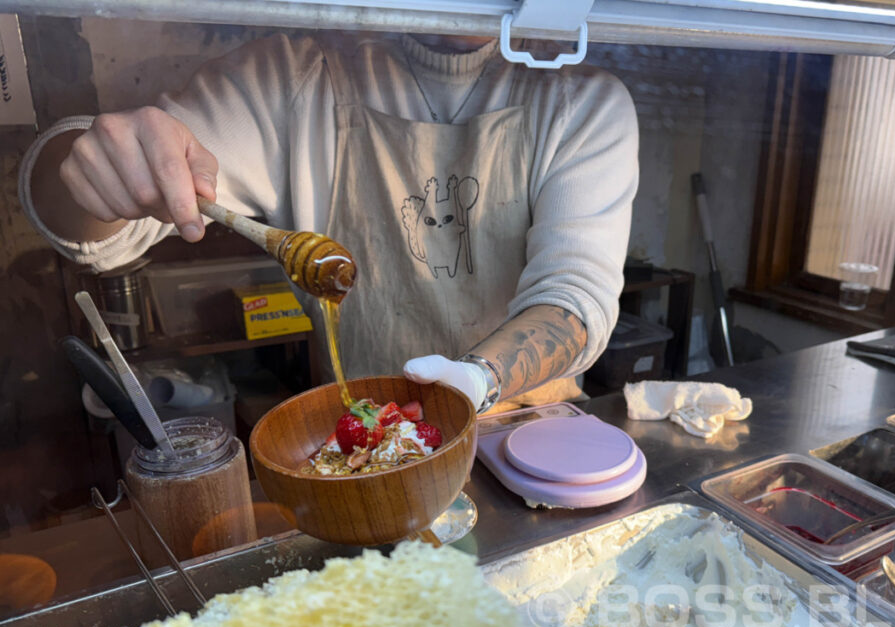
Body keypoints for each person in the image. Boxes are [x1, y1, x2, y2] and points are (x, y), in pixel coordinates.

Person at [20, 31, 639, 413]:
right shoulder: (292, 80)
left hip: (529, 438)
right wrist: (87, 165)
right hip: (365, 438)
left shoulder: (582, 99)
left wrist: (479, 380)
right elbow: (98, 236)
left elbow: (575, 299)